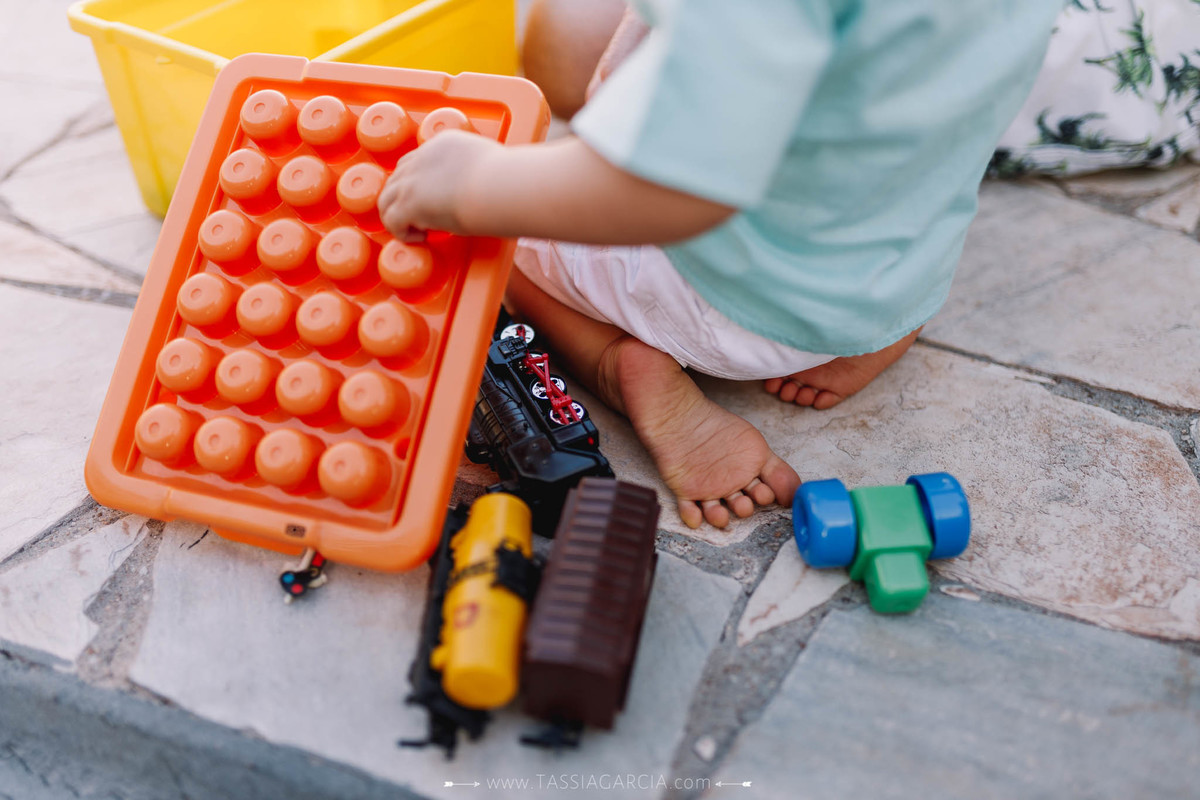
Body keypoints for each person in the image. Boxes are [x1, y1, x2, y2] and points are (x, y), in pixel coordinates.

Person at [378, 0, 1061, 529]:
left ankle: (623, 364)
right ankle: (884, 326)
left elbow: (673, 190)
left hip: (730, 298)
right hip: (898, 254)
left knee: (504, 245)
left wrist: (475, 189)